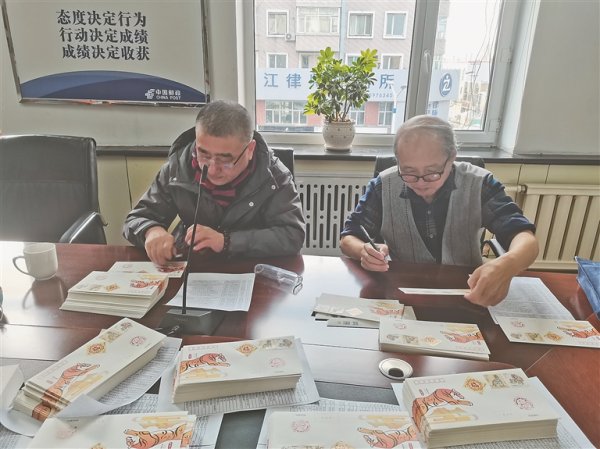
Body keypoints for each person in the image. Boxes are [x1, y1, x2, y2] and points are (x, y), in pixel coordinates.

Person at [340, 115, 538, 307]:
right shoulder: (384, 185)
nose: (420, 183)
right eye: (409, 172)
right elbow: (349, 237)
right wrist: (364, 251)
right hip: (402, 293)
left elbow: (525, 239)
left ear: (451, 157)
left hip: (466, 293)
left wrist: (507, 264)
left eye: (432, 172)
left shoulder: (479, 184)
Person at [123, 100, 305, 264]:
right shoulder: (178, 168)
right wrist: (151, 231)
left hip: (250, 269)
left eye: (225, 160)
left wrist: (226, 242)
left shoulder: (273, 177)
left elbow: (292, 235)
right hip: (191, 264)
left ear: (250, 149)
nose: (211, 169)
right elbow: (137, 219)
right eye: (203, 154)